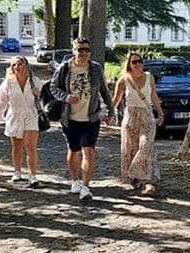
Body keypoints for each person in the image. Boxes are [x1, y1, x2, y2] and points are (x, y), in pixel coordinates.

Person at [50, 38, 113, 201]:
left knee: (88, 150)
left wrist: (110, 112)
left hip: (91, 118)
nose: (83, 53)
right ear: (73, 51)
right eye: (80, 49)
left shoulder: (96, 68)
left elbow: (104, 91)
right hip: (70, 118)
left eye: (86, 50)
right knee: (73, 151)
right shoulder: (65, 68)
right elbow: (53, 87)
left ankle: (85, 186)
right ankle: (75, 180)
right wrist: (65, 97)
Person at [111, 52, 164, 195]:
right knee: (131, 148)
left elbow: (154, 96)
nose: (137, 64)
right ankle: (135, 178)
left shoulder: (149, 77)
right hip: (131, 117)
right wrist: (107, 115)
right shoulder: (124, 80)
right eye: (134, 62)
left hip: (147, 116)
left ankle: (147, 182)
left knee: (146, 146)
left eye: (139, 61)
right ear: (129, 64)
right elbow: (116, 100)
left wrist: (160, 112)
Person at [0, 56, 42, 187]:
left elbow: (45, 98)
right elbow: (0, 100)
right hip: (14, 115)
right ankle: (17, 171)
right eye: (14, 65)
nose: (17, 67)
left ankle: (33, 175)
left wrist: (38, 94)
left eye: (20, 64)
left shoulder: (34, 81)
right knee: (17, 146)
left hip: (31, 114)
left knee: (30, 146)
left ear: (26, 65)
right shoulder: (8, 83)